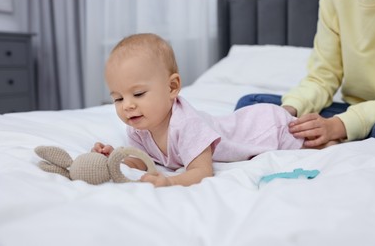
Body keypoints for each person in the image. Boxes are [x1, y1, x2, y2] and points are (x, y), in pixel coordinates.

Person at [92, 33, 309, 187]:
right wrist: (115, 158)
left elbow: (201, 171)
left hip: (266, 127)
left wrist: (169, 181)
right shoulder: (138, 126)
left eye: (138, 94)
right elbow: (142, 161)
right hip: (252, 123)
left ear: (172, 87)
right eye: (118, 98)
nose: (127, 105)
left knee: (317, 144)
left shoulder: (185, 124)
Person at [235, 0, 375, 148]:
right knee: (252, 105)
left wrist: (340, 125)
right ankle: (334, 142)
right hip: (350, 112)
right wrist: (287, 112)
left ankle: (331, 140)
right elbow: (322, 77)